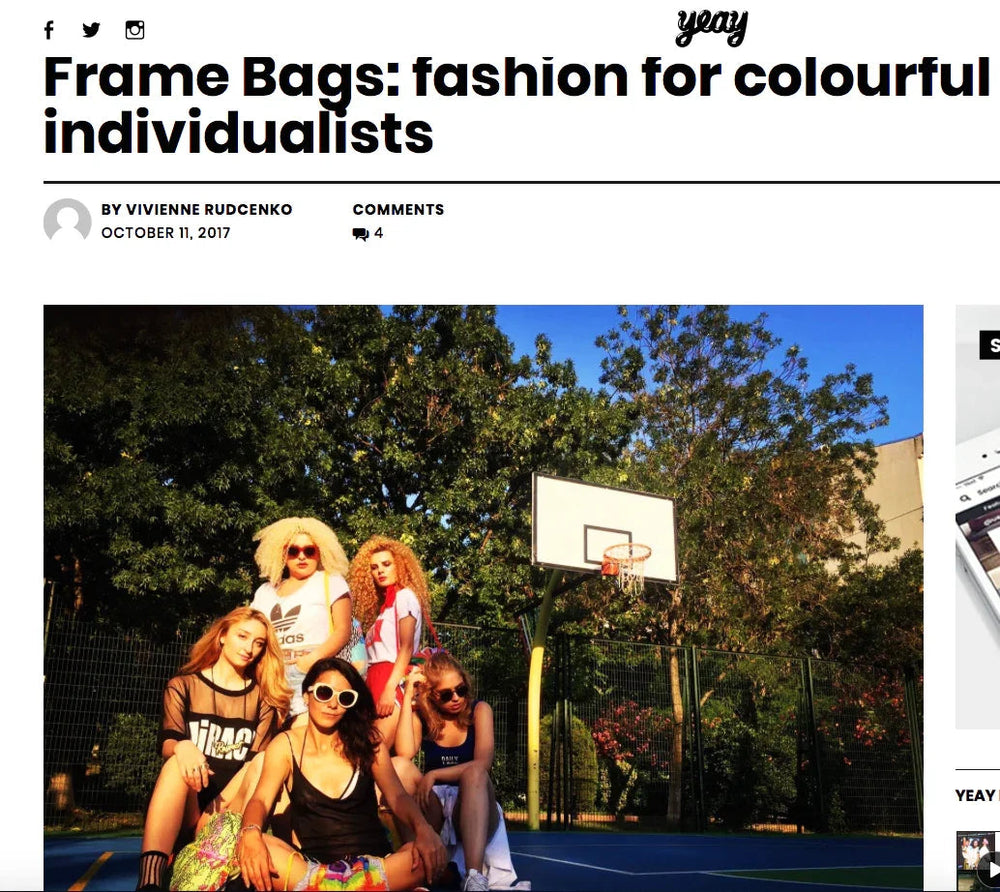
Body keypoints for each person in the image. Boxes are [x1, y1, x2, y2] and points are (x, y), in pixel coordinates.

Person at [236, 657, 448, 891]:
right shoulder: (286, 745)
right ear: (307, 695)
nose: (333, 704)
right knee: (259, 844)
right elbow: (261, 800)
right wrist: (251, 832)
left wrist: (424, 829)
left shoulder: (369, 742)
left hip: (375, 866)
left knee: (422, 854)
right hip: (312, 869)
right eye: (324, 692)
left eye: (345, 697)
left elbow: (398, 797)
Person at [136, 606, 291, 891]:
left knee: (265, 760)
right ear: (222, 635)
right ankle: (149, 882)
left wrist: (219, 809)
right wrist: (183, 747)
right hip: (188, 806)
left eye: (258, 643)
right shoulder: (182, 686)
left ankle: (232, 860)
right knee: (174, 762)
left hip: (228, 812)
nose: (250, 648)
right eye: (243, 636)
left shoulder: (263, 700)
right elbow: (167, 742)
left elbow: (255, 767)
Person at [392, 652, 498, 892]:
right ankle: (417, 868)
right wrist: (409, 694)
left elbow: (483, 764)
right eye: (447, 694)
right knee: (398, 767)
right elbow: (405, 753)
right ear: (432, 695)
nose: (457, 698)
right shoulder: (424, 715)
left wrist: (435, 774)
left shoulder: (480, 710)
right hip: (434, 808)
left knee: (474, 774)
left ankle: (474, 878)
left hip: (473, 803)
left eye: (460, 689)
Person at [252, 517, 365, 727]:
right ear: (282, 554)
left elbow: (343, 631)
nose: (301, 556)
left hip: (310, 674)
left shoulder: (331, 581)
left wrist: (310, 661)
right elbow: (252, 630)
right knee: (266, 742)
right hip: (270, 676)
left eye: (309, 550)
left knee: (303, 738)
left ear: (320, 551)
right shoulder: (264, 592)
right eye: (293, 551)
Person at [349, 536, 432, 748]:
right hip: (375, 679)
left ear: (400, 565)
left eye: (387, 564)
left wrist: (389, 689)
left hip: (391, 679)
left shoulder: (405, 597)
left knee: (376, 753)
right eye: (374, 567)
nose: (380, 571)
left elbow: (406, 648)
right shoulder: (384, 607)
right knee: (384, 757)